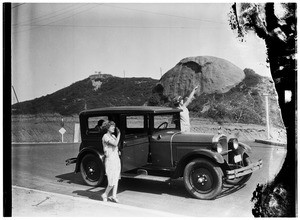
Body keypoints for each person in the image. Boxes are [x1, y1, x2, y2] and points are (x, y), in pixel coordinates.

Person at [101, 121, 121, 203]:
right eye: (112, 127)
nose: (113, 128)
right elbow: (115, 144)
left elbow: (116, 147)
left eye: (114, 126)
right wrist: (119, 134)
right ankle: (105, 194)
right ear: (107, 128)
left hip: (116, 158)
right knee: (111, 180)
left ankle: (114, 196)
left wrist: (117, 151)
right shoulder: (105, 136)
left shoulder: (113, 136)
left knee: (116, 178)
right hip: (110, 160)